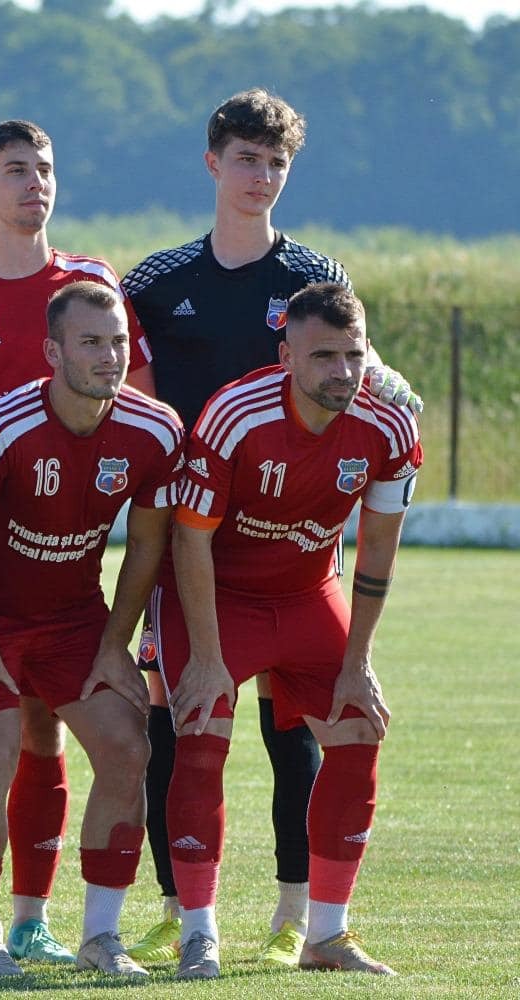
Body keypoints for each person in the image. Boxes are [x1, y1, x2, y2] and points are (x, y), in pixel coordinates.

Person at [121, 87, 419, 967]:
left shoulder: (315, 272)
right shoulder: (156, 280)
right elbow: (127, 381)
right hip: (192, 539)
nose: (261, 175)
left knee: (294, 734)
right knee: (177, 724)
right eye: (246, 158)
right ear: (213, 163)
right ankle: (183, 913)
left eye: (275, 161)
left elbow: (355, 361)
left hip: (296, 539)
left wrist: (393, 394)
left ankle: (301, 914)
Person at [0, 118, 154, 966]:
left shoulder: (91, 284)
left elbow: (132, 386)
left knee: (50, 738)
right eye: (16, 170)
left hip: (66, 566)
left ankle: (38, 918)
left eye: (44, 168)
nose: (34, 182)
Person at [161, 282, 419, 979]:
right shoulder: (235, 413)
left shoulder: (390, 426)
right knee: (201, 735)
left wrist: (358, 660)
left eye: (354, 355)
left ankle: (325, 935)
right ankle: (199, 933)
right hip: (218, 597)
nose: (343, 371)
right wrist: (207, 658)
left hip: (308, 594)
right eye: (324, 356)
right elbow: (190, 539)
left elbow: (378, 550)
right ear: (286, 357)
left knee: (359, 729)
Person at [0, 282, 182, 978]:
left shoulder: (156, 429)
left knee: (128, 748)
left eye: (118, 342)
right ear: (52, 351)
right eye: (91, 342)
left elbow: (147, 544)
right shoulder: (0, 425)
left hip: (75, 621)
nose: (110, 357)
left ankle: (100, 938)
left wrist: (114, 646)